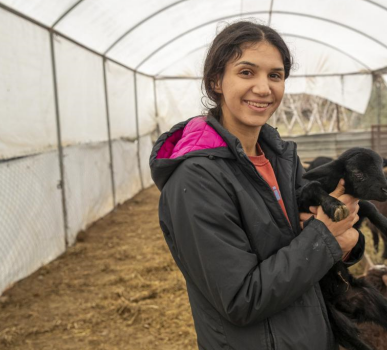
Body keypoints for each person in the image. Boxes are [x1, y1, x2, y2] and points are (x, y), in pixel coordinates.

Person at [149, 21, 365, 350]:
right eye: (247, 72)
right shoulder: (195, 180)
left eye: (275, 75)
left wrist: (347, 243)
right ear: (216, 81)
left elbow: (306, 245)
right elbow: (241, 297)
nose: (264, 88)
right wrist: (325, 237)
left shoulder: (282, 159)